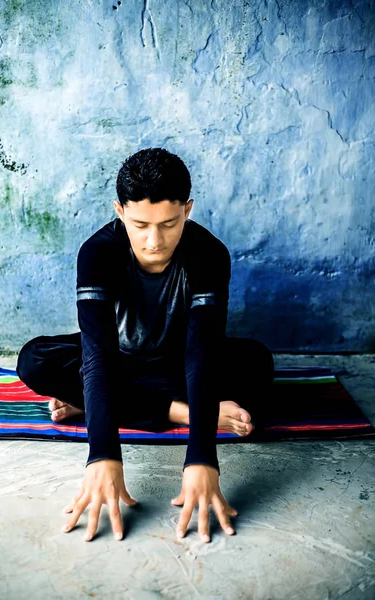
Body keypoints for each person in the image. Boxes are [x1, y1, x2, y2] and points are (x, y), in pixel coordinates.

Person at [16, 147, 274, 544]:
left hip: (180, 361)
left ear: (187, 210)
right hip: (118, 360)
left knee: (258, 363)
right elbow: (97, 355)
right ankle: (181, 412)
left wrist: (202, 459)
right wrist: (102, 454)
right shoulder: (97, 253)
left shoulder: (209, 253)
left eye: (169, 224)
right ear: (119, 211)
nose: (154, 240)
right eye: (140, 225)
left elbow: (201, 355)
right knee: (34, 361)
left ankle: (102, 402)